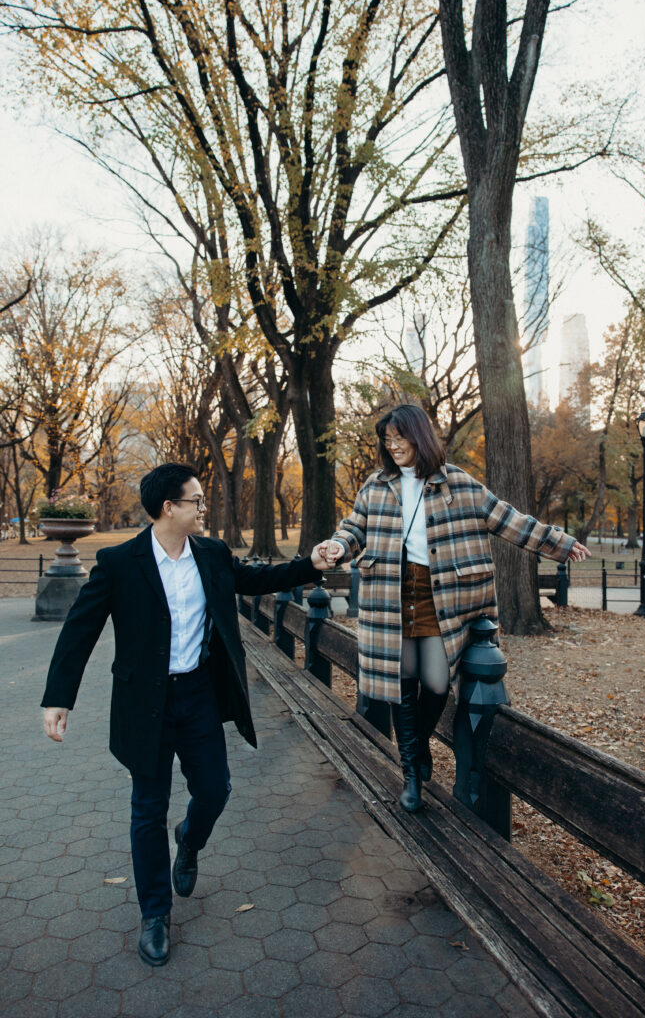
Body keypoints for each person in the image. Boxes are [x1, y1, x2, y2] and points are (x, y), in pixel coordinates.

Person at [41, 463, 332, 967]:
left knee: (216, 790)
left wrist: (312, 562)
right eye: (196, 500)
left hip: (198, 694)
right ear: (168, 508)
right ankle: (155, 915)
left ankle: (190, 840)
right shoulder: (119, 562)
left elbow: (259, 577)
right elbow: (79, 629)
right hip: (143, 705)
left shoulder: (213, 554)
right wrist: (58, 697)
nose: (204, 507)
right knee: (147, 810)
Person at [319, 405, 590, 812]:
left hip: (440, 593)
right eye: (387, 440)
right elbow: (354, 527)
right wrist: (339, 546)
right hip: (390, 592)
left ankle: (418, 746)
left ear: (419, 437)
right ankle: (411, 771)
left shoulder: (458, 484)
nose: (393, 446)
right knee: (401, 681)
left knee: (436, 683)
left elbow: (507, 519)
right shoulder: (376, 486)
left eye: (400, 439)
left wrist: (558, 543)